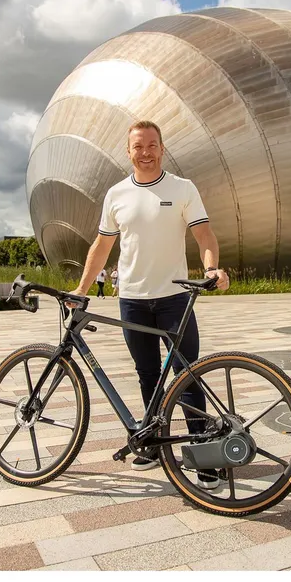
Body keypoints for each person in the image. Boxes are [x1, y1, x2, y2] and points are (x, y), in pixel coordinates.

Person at [69, 120, 229, 489]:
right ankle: (153, 443)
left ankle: (203, 452)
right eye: (138, 146)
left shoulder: (182, 188)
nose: (146, 152)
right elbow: (102, 246)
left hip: (174, 298)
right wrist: (81, 288)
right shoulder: (117, 194)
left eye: (152, 145)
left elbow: (204, 234)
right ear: (129, 151)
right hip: (133, 300)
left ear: (162, 148)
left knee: (187, 375)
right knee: (147, 374)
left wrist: (211, 268)